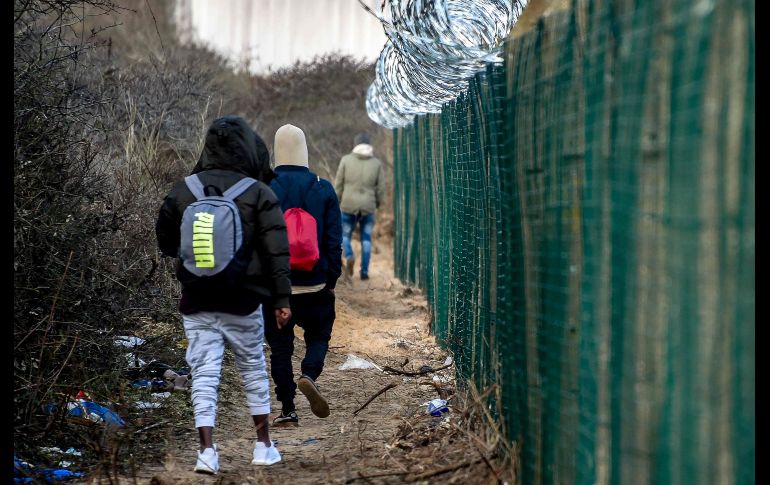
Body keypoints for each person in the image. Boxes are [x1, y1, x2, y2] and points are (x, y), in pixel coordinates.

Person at [155, 116, 291, 473]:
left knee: (204, 372)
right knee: (252, 368)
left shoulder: (185, 189)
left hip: (197, 299)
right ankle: (263, 446)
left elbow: (166, 240)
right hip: (243, 301)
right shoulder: (259, 192)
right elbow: (277, 251)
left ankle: (206, 452)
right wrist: (282, 300)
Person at [264, 124, 342, 426]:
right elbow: (334, 241)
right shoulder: (323, 187)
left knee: (281, 347)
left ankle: (287, 408)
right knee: (319, 333)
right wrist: (331, 280)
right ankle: (309, 373)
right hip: (317, 283)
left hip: (278, 289)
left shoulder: (264, 188)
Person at [334, 132, 385, 280]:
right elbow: (381, 188)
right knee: (366, 239)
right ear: (369, 145)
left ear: (355, 144)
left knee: (344, 235)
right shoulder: (376, 163)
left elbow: (338, 184)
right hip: (368, 207)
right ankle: (364, 272)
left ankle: (349, 255)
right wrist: (377, 204)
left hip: (348, 205)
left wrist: (336, 201)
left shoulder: (345, 160)